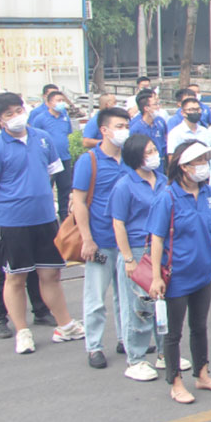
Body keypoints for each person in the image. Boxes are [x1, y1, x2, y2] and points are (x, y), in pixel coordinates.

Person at [0, 93, 86, 355]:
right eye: (8, 114)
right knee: (15, 277)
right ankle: (22, 331)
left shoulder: (43, 138)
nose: (16, 116)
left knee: (51, 274)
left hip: (45, 218)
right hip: (12, 222)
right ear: (0, 120)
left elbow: (55, 175)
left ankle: (65, 325)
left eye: (18, 110)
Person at [146, 141, 211, 402]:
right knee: (173, 333)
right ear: (183, 167)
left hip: (203, 274)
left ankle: (202, 374)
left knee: (199, 326)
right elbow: (156, 239)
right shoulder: (167, 198)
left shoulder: (208, 195)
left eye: (207, 161)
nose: (204, 167)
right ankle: (175, 382)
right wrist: (156, 277)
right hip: (176, 276)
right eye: (199, 162)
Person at [71, 105, 132, 369]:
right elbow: (79, 202)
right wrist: (87, 239)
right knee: (96, 297)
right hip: (101, 239)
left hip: (128, 241)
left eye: (127, 126)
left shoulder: (131, 159)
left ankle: (125, 339)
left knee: (126, 295)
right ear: (104, 131)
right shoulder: (90, 160)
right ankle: (94, 346)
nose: (124, 132)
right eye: (119, 127)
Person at [0, 112, 54, 340]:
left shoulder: (37, 139)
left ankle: (41, 310)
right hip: (3, 219)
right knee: (3, 271)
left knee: (35, 267)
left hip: (34, 216)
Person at [110, 134, 167, 381]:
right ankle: (136, 358)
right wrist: (127, 259)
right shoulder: (125, 185)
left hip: (161, 250)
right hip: (136, 249)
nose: (154, 155)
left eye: (154, 149)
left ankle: (166, 352)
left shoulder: (163, 180)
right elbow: (118, 223)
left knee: (162, 302)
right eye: (148, 151)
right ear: (135, 157)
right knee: (139, 305)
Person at [30, 88, 74, 221]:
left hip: (64, 158)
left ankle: (64, 217)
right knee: (46, 188)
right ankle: (44, 215)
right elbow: (34, 138)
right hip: (48, 160)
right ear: (48, 103)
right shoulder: (40, 119)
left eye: (62, 100)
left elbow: (68, 134)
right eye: (57, 101)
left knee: (65, 189)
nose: (61, 103)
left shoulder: (64, 117)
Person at [129, 90, 169, 167]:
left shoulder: (160, 121)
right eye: (155, 104)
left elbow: (165, 139)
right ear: (146, 108)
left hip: (160, 163)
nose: (158, 107)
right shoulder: (136, 128)